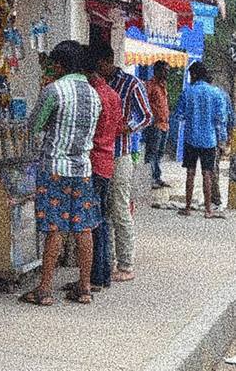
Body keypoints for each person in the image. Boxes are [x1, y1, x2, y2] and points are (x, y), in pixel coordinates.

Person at [21, 41, 102, 306]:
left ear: (58, 65)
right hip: (83, 169)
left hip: (54, 168)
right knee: (84, 227)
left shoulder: (54, 90)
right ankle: (85, 288)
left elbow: (33, 126)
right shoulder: (94, 94)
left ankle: (44, 290)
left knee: (54, 228)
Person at [95, 46, 153, 283]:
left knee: (119, 208)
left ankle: (126, 263)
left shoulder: (131, 84)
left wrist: (129, 126)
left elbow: (147, 115)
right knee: (103, 209)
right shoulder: (98, 85)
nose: (99, 72)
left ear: (108, 61)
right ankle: (105, 262)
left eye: (101, 67)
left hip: (120, 154)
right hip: (100, 154)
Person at [82, 46, 123, 292]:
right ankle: (102, 273)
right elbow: (117, 128)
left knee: (91, 221)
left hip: (93, 161)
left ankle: (94, 277)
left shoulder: (93, 95)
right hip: (107, 161)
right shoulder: (113, 95)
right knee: (102, 221)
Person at [173, 62, 227, 219]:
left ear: (195, 74)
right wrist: (222, 140)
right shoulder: (216, 93)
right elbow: (220, 119)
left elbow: (178, 115)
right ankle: (208, 210)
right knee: (207, 174)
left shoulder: (187, 92)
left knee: (190, 173)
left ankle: (188, 207)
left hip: (191, 138)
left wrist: (191, 116)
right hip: (209, 140)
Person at [145, 61, 171, 189]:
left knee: (159, 153)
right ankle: (149, 178)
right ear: (157, 71)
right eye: (165, 70)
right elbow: (145, 103)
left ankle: (157, 176)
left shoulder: (163, 86)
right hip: (155, 125)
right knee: (152, 152)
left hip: (164, 124)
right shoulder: (150, 85)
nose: (167, 73)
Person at [209, 77, 234, 209]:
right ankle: (213, 199)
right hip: (219, 137)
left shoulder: (207, 94)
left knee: (208, 169)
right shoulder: (224, 95)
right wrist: (229, 138)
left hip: (208, 136)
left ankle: (214, 199)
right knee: (213, 167)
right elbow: (231, 117)